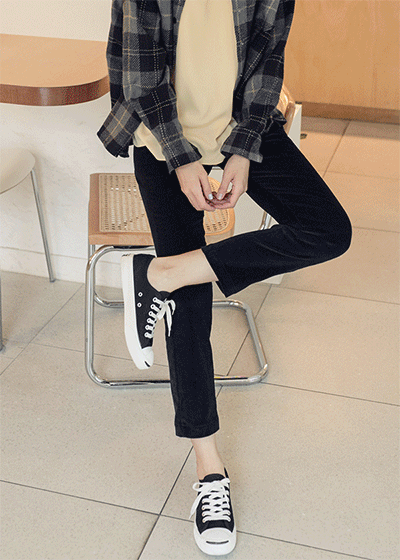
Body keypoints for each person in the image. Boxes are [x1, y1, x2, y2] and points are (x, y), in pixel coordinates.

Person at [97, 0, 352, 555]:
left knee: (328, 230)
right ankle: (209, 471)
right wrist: (183, 159)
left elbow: (267, 62)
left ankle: (163, 272)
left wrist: (242, 151)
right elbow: (140, 74)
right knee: (189, 307)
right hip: (162, 138)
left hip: (240, 127)